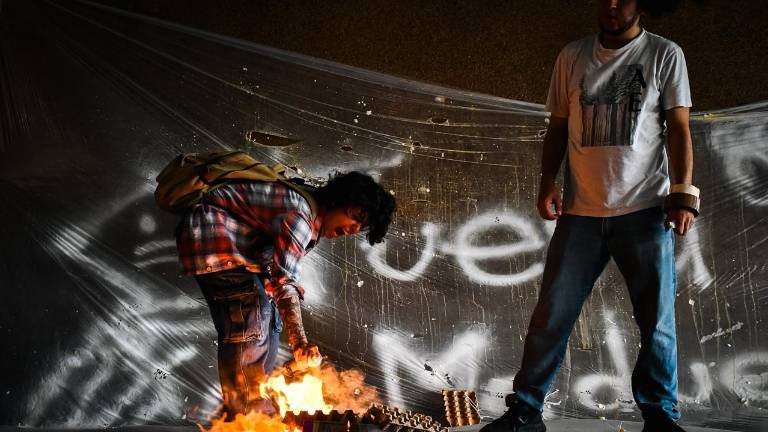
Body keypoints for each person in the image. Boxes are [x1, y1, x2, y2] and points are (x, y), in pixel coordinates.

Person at [482, 0, 697, 431]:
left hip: (644, 208)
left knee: (656, 321)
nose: (612, 5)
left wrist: (682, 194)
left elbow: (678, 128)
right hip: (580, 212)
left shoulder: (663, 54)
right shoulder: (572, 56)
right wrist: (547, 181)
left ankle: (660, 415)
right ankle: (525, 409)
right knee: (552, 315)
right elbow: (558, 126)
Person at [175, 171, 396, 418]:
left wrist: (294, 348)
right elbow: (285, 279)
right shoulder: (301, 214)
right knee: (253, 316)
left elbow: (275, 275)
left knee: (270, 322)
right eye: (356, 217)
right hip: (213, 234)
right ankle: (247, 414)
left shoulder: (309, 218)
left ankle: (257, 404)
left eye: (362, 227)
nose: (354, 228)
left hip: (239, 248)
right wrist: (300, 342)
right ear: (338, 201)